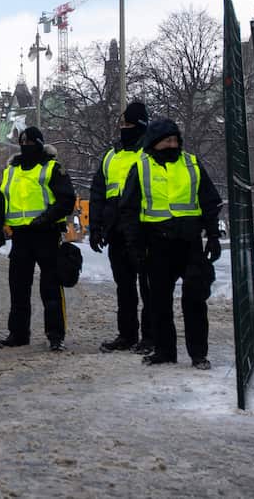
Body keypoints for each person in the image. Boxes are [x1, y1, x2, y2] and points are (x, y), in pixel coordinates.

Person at [118, 118, 224, 369]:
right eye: (167, 140)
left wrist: (213, 236)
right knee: (158, 302)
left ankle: (198, 354)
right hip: (157, 244)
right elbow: (129, 209)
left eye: (175, 140)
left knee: (195, 299)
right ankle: (165, 351)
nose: (172, 144)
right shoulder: (141, 167)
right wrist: (134, 246)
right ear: (155, 142)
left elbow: (209, 202)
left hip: (189, 243)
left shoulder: (192, 164)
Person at [0, 126, 76, 352]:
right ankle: (18, 334)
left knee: (51, 288)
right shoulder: (11, 171)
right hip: (21, 237)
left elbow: (66, 200)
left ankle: (56, 335)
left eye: (30, 142)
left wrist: (47, 218)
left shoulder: (52, 169)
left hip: (47, 235)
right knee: (18, 288)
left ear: (39, 144)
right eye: (23, 143)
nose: (26, 146)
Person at [88, 101, 154, 353]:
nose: (123, 129)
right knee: (124, 287)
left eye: (128, 124)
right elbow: (98, 192)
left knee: (148, 286)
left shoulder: (149, 153)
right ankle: (127, 335)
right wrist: (95, 227)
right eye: (122, 124)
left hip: (144, 229)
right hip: (116, 230)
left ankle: (150, 336)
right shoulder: (111, 155)